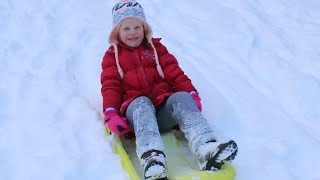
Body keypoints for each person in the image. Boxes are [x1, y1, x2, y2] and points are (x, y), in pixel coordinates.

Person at [100, 0, 238, 179]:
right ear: (116, 32)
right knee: (141, 103)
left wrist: (190, 95)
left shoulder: (156, 49)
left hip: (161, 113)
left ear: (145, 28)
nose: (132, 32)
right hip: (136, 118)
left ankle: (206, 148)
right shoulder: (112, 57)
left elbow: (175, 73)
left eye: (137, 27)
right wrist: (111, 113)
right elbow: (110, 85)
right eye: (126, 28)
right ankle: (152, 159)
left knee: (180, 97)